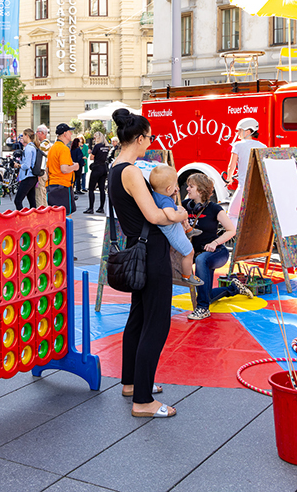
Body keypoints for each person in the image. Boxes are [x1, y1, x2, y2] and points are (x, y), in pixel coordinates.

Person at [108, 108, 186, 418]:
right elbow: (153, 215)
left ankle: (132, 383)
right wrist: (179, 214)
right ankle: (142, 400)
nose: (150, 142)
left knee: (138, 318)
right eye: (149, 137)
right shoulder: (129, 171)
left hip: (135, 246)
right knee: (157, 323)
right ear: (139, 139)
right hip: (150, 250)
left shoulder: (115, 168)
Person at [183, 173, 244, 321]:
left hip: (216, 253)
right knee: (207, 295)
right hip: (196, 254)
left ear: (201, 190)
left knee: (202, 259)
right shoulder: (185, 206)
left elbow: (232, 230)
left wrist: (215, 243)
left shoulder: (215, 209)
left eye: (191, 186)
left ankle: (203, 309)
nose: (187, 189)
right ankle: (233, 288)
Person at [148, 165, 203, 287]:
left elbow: (170, 206)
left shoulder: (155, 195)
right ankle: (187, 276)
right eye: (174, 185)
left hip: (173, 228)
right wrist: (184, 216)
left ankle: (188, 230)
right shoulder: (165, 201)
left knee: (179, 207)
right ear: (168, 188)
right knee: (189, 252)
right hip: (174, 233)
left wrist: (173, 197)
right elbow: (172, 216)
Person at [225, 117, 266, 224]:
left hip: (243, 186)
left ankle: (233, 238)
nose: (238, 132)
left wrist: (229, 179)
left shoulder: (238, 145)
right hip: (258, 188)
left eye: (240, 130)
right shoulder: (263, 146)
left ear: (248, 131)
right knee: (253, 215)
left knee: (232, 215)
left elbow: (231, 166)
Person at [47, 123, 79, 214]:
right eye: (70, 132)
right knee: (66, 216)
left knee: (56, 217)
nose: (71, 134)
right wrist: (75, 167)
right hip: (62, 186)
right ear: (65, 134)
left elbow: (48, 168)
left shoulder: (53, 148)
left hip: (52, 185)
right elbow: (64, 169)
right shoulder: (63, 149)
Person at [84, 132, 110, 214]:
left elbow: (92, 157)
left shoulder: (97, 146)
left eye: (94, 138)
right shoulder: (106, 146)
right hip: (104, 168)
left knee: (91, 188)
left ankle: (91, 208)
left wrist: (90, 153)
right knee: (102, 189)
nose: (93, 139)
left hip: (97, 168)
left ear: (98, 138)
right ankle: (101, 207)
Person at [14, 128, 38, 210]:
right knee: (32, 201)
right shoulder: (33, 146)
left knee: (17, 200)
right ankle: (33, 219)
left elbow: (26, 165)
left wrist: (18, 165)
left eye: (23, 135)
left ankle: (22, 219)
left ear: (27, 136)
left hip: (27, 177)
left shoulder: (28, 148)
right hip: (33, 177)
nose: (22, 138)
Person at [34, 125, 51, 207]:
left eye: (36, 132)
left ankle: (41, 214)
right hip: (45, 171)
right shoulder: (48, 143)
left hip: (41, 172)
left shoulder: (43, 145)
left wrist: (39, 174)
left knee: (39, 195)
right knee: (43, 195)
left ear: (41, 133)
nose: (36, 134)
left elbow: (41, 160)